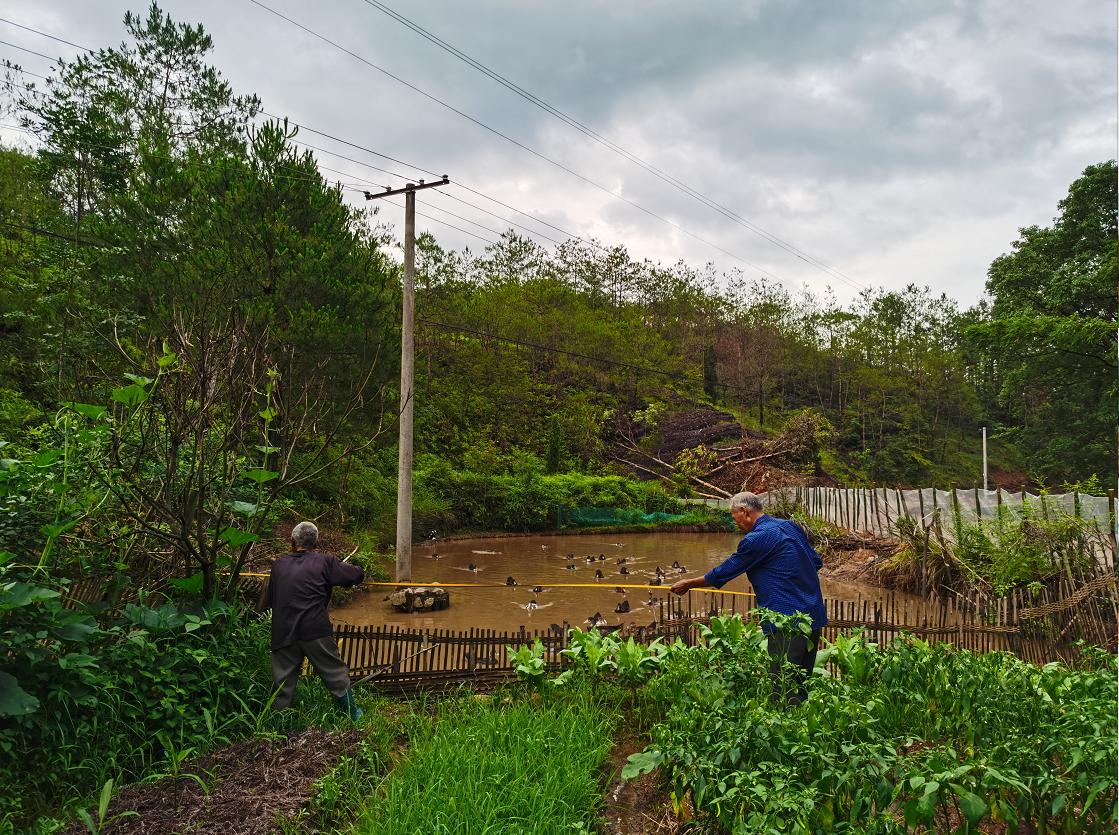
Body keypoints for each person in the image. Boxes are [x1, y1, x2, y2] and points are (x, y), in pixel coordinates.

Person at [671, 491, 826, 705]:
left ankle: (784, 731)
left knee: (782, 686)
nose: (736, 524)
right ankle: (802, 727)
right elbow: (816, 562)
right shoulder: (790, 526)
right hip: (813, 615)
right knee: (800, 682)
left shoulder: (756, 539)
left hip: (787, 621)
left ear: (744, 511)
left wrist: (689, 583)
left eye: (735, 518)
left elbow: (726, 570)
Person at [262, 521, 365, 720]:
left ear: (292, 542)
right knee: (335, 673)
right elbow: (353, 575)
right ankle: (353, 715)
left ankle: (277, 727)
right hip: (315, 628)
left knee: (282, 682)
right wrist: (360, 570)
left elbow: (272, 598)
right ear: (316, 542)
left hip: (284, 629)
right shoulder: (325, 562)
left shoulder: (278, 565)